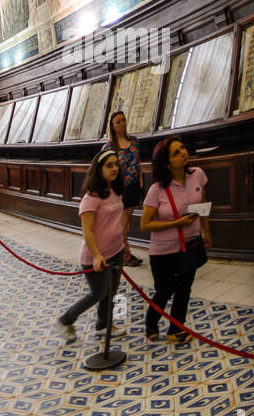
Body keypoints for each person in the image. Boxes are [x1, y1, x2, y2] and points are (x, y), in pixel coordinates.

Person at [140, 137, 211, 344]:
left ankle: (176, 330)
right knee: (164, 290)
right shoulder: (157, 190)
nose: (183, 152)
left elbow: (203, 203)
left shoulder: (197, 174)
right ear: (166, 163)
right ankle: (151, 322)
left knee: (184, 289)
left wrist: (206, 231)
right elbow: (145, 225)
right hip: (163, 251)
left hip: (191, 244)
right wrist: (176, 223)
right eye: (176, 152)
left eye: (182, 148)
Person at [57, 149, 126, 343]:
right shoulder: (91, 197)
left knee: (111, 291)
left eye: (116, 164)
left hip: (116, 250)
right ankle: (65, 320)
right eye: (109, 165)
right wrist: (97, 255)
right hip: (96, 255)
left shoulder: (115, 190)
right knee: (99, 293)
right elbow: (87, 231)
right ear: (98, 169)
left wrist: (124, 245)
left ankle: (103, 325)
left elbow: (118, 221)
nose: (114, 168)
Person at [107, 110, 144, 266]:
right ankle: (125, 252)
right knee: (122, 220)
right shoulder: (109, 146)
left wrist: (141, 182)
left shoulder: (134, 140)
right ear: (113, 126)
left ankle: (122, 250)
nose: (122, 123)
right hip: (120, 188)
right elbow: (105, 168)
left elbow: (138, 162)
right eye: (118, 122)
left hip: (135, 185)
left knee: (128, 218)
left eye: (123, 120)